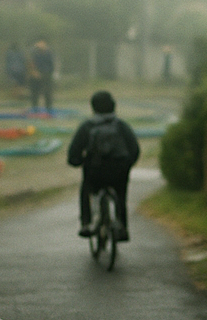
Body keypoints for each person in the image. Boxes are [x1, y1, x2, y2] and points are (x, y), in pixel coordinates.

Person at [67, 90, 140, 241]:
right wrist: (126, 165)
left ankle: (86, 223)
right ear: (113, 106)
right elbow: (134, 149)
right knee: (120, 196)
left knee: (86, 190)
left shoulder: (87, 126)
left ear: (93, 107)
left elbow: (73, 155)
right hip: (119, 171)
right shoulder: (121, 126)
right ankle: (122, 227)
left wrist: (81, 162)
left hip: (95, 172)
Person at [29, 38, 55, 111]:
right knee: (35, 92)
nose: (40, 45)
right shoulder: (34, 52)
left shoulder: (49, 53)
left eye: (42, 43)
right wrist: (34, 72)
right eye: (39, 43)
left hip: (46, 74)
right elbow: (30, 63)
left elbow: (51, 65)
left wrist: (48, 73)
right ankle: (35, 108)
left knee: (47, 92)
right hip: (35, 74)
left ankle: (49, 108)